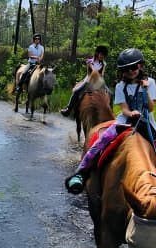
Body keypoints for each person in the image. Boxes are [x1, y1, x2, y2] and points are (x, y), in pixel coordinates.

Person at [65, 48, 156, 194]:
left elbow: (151, 108)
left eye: (133, 67)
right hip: (124, 121)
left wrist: (145, 90)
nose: (130, 71)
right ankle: (80, 172)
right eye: (126, 69)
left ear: (140, 66)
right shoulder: (120, 85)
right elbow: (125, 109)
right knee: (99, 143)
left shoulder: (150, 82)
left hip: (146, 122)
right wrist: (130, 113)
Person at [60, 45, 109, 117]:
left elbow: (102, 74)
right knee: (76, 91)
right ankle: (68, 109)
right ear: (97, 53)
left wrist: (101, 82)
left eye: (103, 55)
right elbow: (90, 73)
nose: (102, 56)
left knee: (110, 93)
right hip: (89, 80)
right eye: (101, 54)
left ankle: (109, 112)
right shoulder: (90, 61)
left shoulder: (103, 64)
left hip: (99, 81)